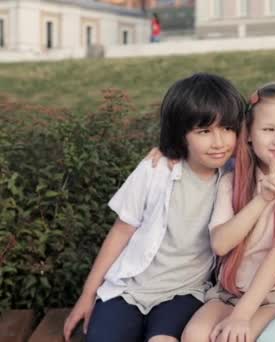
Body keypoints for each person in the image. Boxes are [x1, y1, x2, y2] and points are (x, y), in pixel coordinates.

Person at [62, 73, 245, 342]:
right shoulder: (156, 170)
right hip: (129, 289)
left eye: (227, 128)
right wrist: (88, 295)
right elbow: (121, 233)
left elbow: (273, 140)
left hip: (185, 292)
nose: (219, 142)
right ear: (181, 134)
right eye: (204, 131)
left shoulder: (234, 177)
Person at [181, 83, 275, 342]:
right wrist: (262, 199)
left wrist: (241, 316)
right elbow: (221, 244)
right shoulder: (232, 181)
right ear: (248, 134)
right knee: (195, 335)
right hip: (228, 291)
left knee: (236, 338)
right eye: (269, 129)